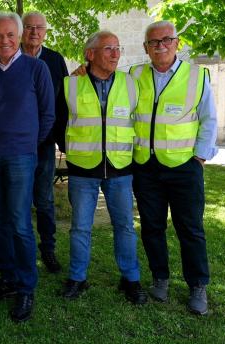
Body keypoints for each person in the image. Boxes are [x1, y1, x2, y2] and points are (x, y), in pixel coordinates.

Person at [130, 20, 218, 315]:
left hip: (184, 166)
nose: (160, 46)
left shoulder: (196, 75)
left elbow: (209, 119)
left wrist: (201, 156)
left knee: (190, 228)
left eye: (166, 40)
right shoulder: (134, 74)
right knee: (152, 226)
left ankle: (197, 286)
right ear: (146, 48)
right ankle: (160, 278)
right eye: (154, 42)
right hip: (145, 165)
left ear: (177, 43)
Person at [56, 31, 147, 304]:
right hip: (84, 169)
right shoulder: (71, 83)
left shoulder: (132, 83)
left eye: (117, 48)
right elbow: (59, 122)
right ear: (90, 54)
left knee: (125, 227)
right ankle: (77, 278)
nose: (115, 53)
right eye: (108, 48)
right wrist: (70, 151)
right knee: (80, 228)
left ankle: (130, 279)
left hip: (120, 168)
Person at [0, 12, 55, 322]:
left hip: (22, 156)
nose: (4, 40)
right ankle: (8, 278)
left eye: (10, 35)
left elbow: (48, 114)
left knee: (20, 222)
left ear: (19, 36)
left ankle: (26, 286)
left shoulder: (37, 68)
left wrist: (28, 145)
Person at [20, 11, 69, 273]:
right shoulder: (10, 56)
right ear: (21, 30)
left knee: (44, 199)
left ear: (45, 32)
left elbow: (62, 103)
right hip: (16, 145)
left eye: (39, 28)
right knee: (17, 200)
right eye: (29, 27)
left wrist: (62, 139)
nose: (34, 32)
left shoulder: (54, 60)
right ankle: (17, 250)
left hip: (45, 142)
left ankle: (47, 249)